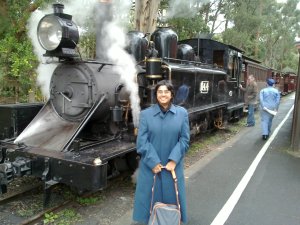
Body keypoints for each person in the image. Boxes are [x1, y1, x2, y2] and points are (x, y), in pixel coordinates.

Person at [132, 80, 190, 224]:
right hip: (151, 167)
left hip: (172, 168)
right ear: (156, 94)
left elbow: (184, 140)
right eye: (160, 92)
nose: (163, 95)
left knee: (172, 203)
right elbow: (142, 142)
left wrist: (173, 160)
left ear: (171, 94)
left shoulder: (182, 113)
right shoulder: (145, 115)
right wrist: (153, 162)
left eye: (166, 92)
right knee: (149, 202)